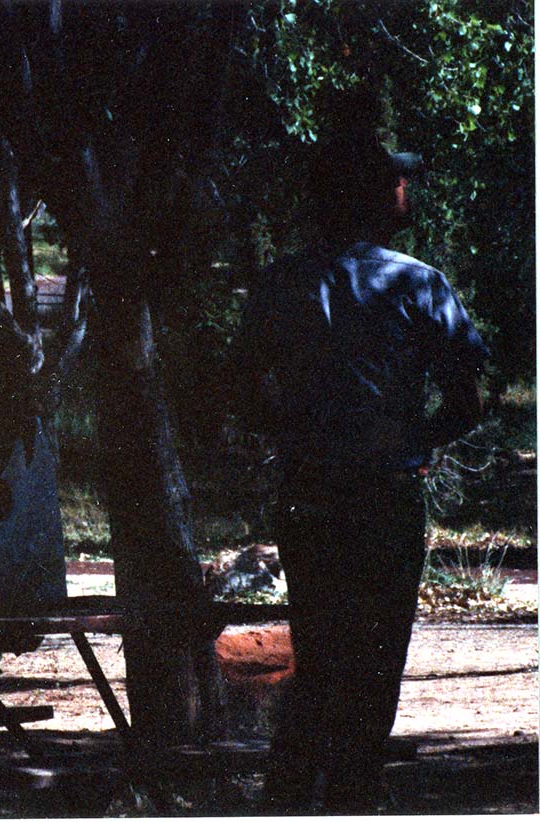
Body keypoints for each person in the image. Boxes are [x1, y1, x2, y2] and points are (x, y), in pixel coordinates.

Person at [234, 106, 489, 812]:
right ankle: (350, 792)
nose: (407, 192)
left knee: (319, 654)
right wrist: (410, 442)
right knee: (375, 664)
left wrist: (300, 433)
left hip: (311, 496)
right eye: (395, 183)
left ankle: (294, 795)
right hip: (384, 498)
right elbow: (467, 401)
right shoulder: (418, 285)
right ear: (372, 196)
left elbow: (239, 389)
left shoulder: (285, 282)